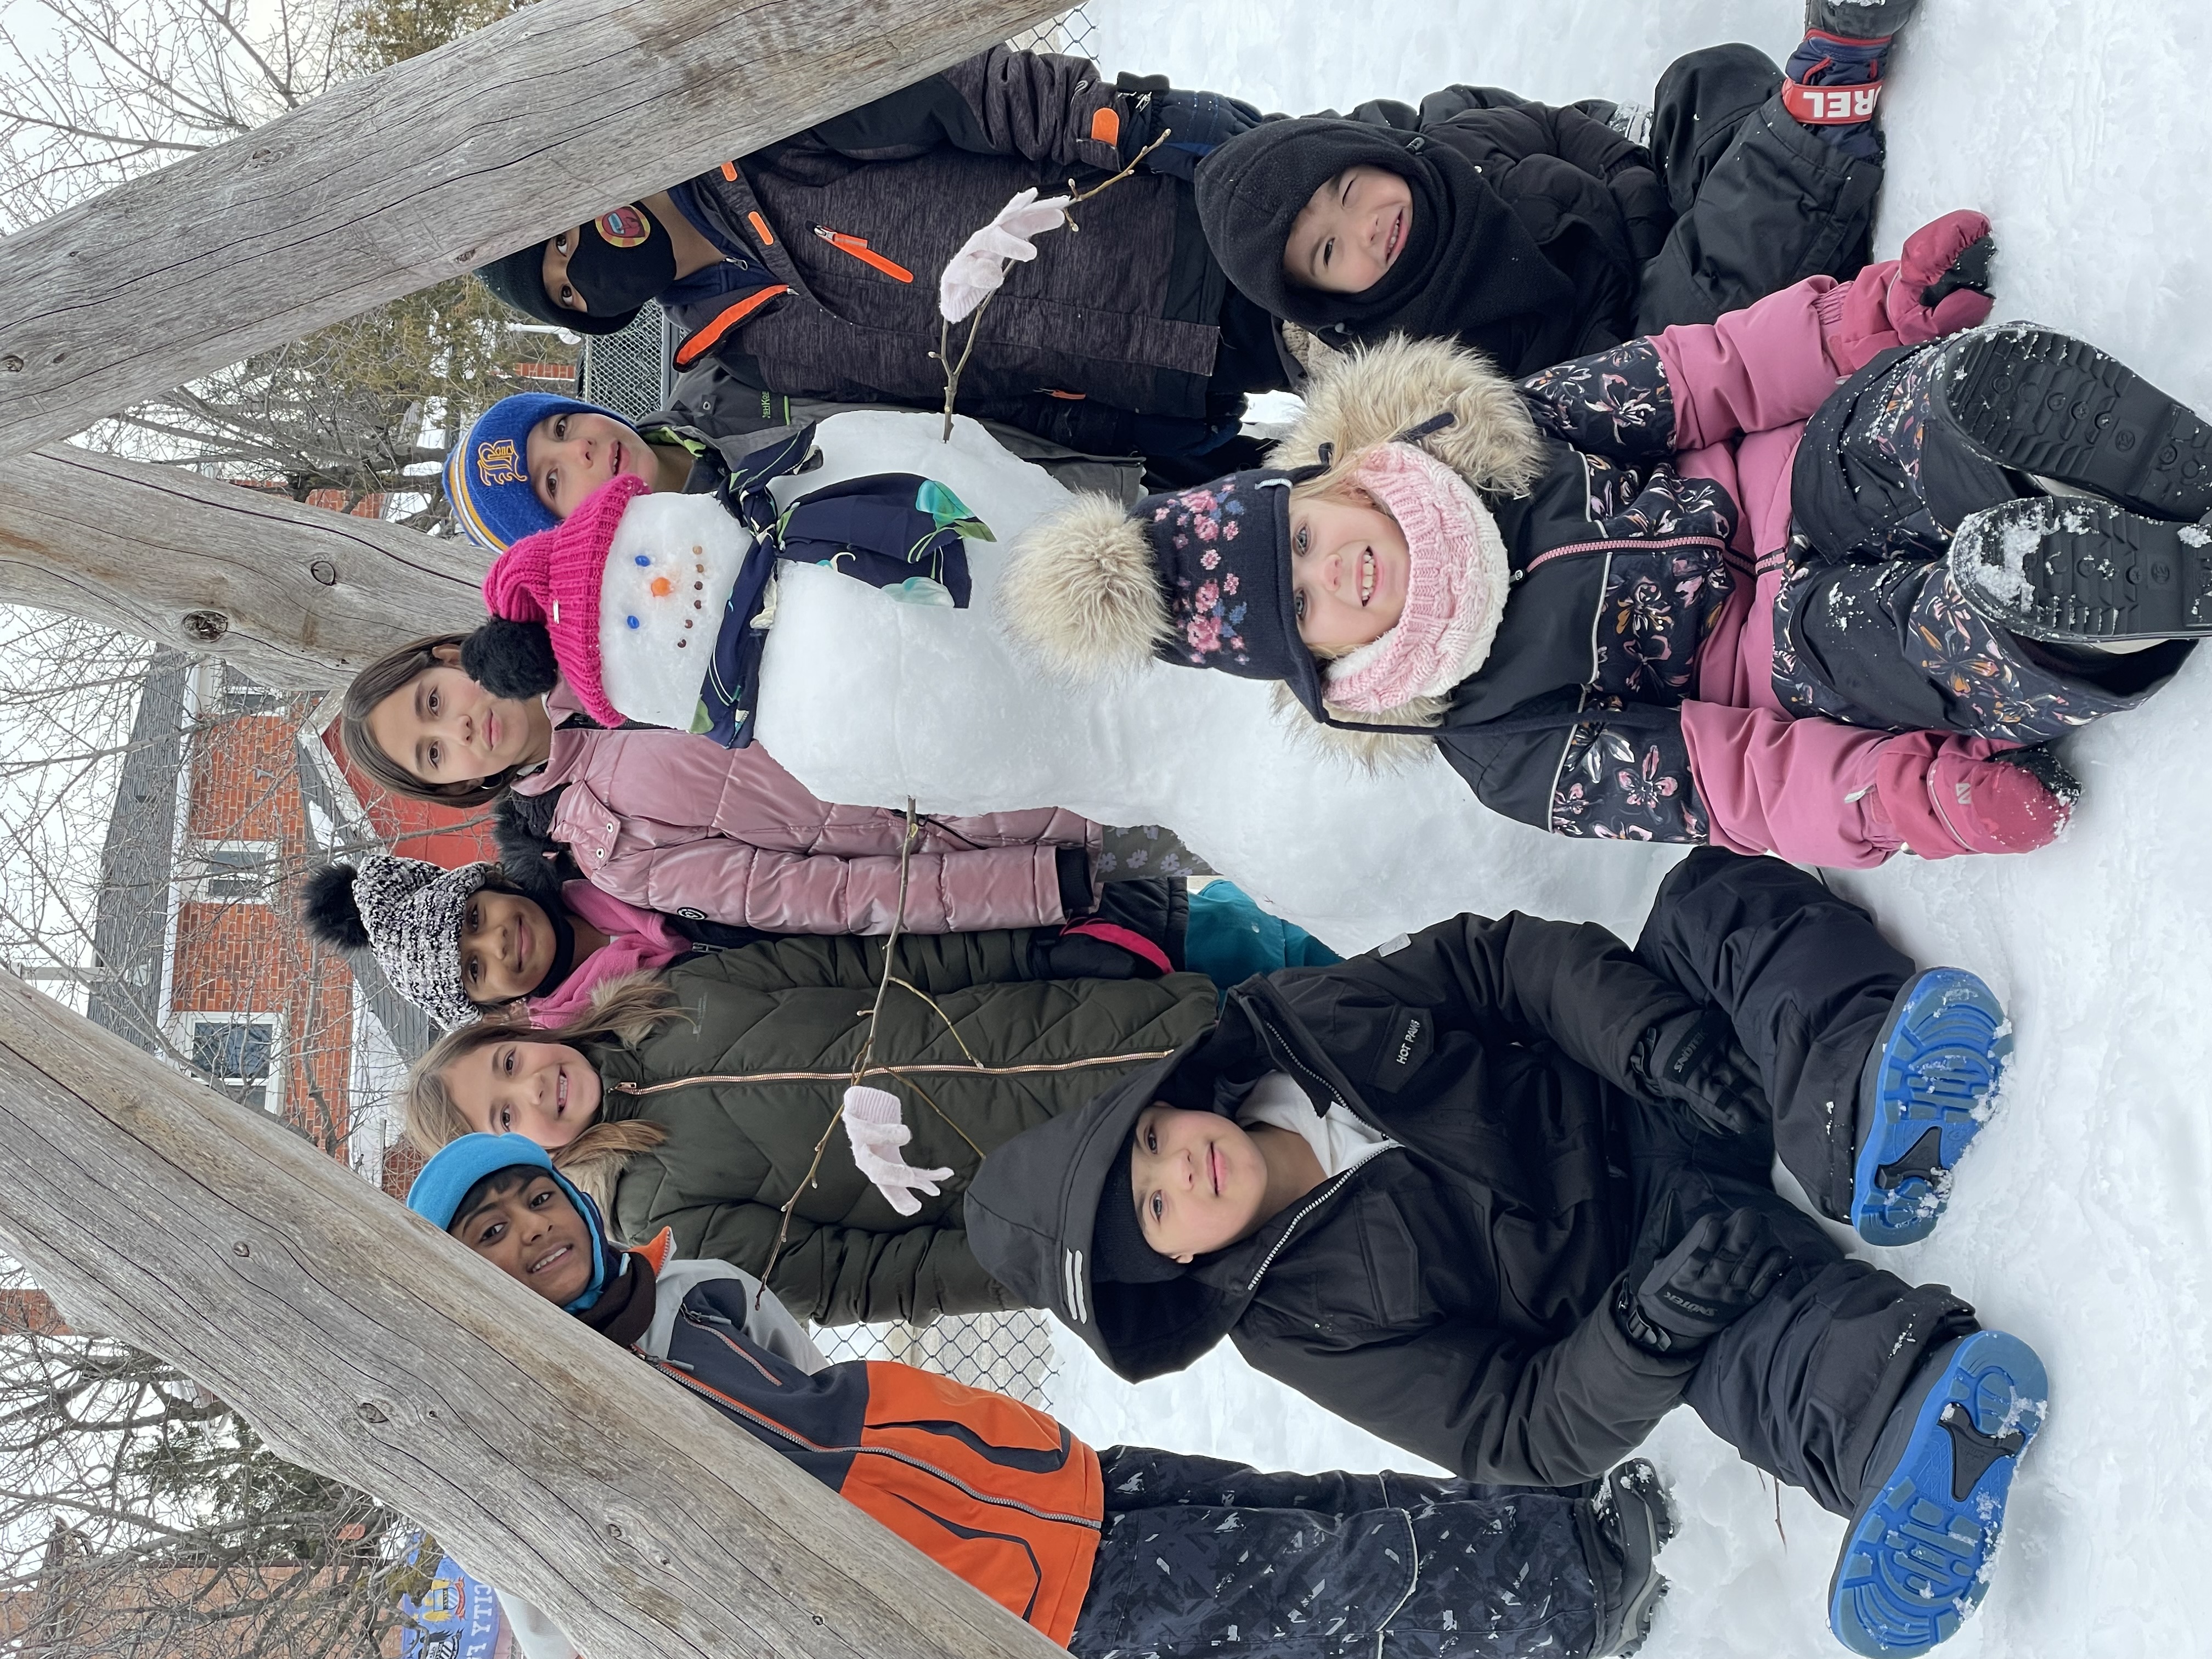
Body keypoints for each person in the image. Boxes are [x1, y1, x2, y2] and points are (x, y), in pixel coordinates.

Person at [965, 849, 2049, 1659]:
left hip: (1664, 1079)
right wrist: (1644, 1329)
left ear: (1164, 1102)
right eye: (1156, 1208)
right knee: (1752, 1365)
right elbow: (1510, 1429)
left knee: (1710, 903)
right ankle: (1921, 1431)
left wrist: (1649, 1039)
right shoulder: (1296, 1326)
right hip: (1667, 1266)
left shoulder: (1297, 1023)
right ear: (1167, 1266)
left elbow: (1504, 965)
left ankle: (1865, 1104)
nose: (1182, 1167)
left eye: (1152, 1139)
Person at [1000, 217, 2212, 867]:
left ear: (1332, 486)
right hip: (1792, 663)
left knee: (1881, 436)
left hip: (1789, 488)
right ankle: (2062, 611)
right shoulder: (1505, 747)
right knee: (1894, 644)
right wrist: (1913, 795)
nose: (1337, 570)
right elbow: (1734, 786)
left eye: (1307, 539)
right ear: (1320, 669)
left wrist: (1865, 323)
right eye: (1310, 601)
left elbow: (1699, 378)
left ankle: (2016, 439)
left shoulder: (1488, 438)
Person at [407, 1131, 1679, 1659]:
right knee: (1296, 1590)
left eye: (525, 1195)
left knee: (1304, 1510)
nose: (525, 1227)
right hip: (1012, 1596)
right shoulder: (584, 1425)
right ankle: (1567, 1594)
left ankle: (1539, 1519)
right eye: (485, 1236)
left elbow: (825, 1395)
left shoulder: (694, 1290)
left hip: (1042, 1482)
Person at [471, 46, 1288, 482]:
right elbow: (964, 403)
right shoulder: (747, 356)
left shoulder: (757, 146)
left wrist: (1121, 123)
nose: (580, 275)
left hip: (1165, 226)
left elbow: (969, 94)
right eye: (567, 293)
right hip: (1164, 370)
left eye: (562, 245)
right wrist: (1131, 431)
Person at [400, 924, 1221, 1325]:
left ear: (522, 1033)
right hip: (1104, 1177)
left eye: (509, 1063)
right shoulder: (661, 1216)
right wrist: (1051, 1260)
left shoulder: (674, 997)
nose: (536, 1090)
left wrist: (1039, 955)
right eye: (506, 1114)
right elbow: (866, 1280)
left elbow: (874, 961)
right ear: (520, 1146)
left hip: (1095, 1020)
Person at [1194, 0, 1926, 376]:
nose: (1365, 228)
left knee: (1702, 82)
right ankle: (1828, 88)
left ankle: (1791, 164)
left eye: (1351, 191)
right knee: (1682, 325)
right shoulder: (1422, 363)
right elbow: (1601, 382)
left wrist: (1634, 180)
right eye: (1328, 252)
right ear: (1325, 297)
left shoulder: (1450, 133)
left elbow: (1562, 127)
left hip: (1639, 213)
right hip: (1639, 338)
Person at [335, 631, 1120, 932]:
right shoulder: (610, 847)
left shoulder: (613, 621)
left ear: (449, 659)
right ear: (463, 788)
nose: (458, 731)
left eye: (434, 705)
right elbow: (832, 898)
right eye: (433, 755)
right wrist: (1034, 882)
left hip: (1020, 670)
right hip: (1024, 817)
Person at [461, 426, 988, 748]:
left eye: (559, 426)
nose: (580, 448)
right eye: (552, 482)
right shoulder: (772, 707)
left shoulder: (749, 452)